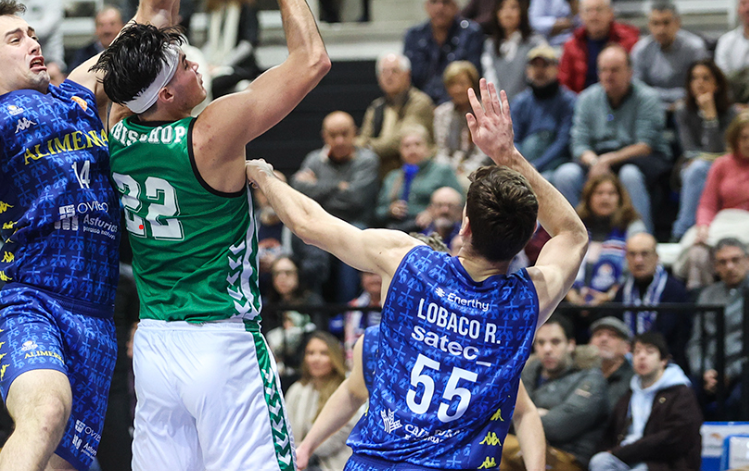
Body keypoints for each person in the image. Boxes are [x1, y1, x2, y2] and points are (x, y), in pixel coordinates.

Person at [0, 0, 255, 471]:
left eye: (31, 31)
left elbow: (151, 22)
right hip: (34, 302)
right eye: (12, 38)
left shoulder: (80, 93)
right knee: (44, 414)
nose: (31, 41)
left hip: (97, 316)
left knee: (63, 463)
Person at [94, 0, 330, 471]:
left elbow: (153, 16)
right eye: (183, 63)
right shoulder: (212, 132)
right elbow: (312, 61)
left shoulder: (117, 118)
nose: (195, 61)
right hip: (221, 344)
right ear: (170, 90)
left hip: (153, 346)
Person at [246, 78, 590, 469]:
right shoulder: (529, 300)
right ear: (528, 238)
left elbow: (309, 223)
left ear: (464, 227)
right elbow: (573, 234)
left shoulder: (408, 259)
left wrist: (261, 174)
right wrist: (507, 154)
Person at [297, 323, 547, 471]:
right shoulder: (375, 338)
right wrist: (307, 446)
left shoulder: (475, 346)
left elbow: (525, 411)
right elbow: (352, 392)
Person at [553, 45, 670, 233]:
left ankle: (639, 238)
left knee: (629, 174)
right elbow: (579, 144)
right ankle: (576, 237)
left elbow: (645, 145)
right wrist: (595, 162)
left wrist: (607, 160)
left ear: (630, 72)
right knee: (565, 174)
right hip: (597, 157)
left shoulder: (647, 97)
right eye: (603, 70)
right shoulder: (586, 98)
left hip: (639, 158)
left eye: (615, 70)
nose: (609, 75)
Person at [501, 314, 610, 471]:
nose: (547, 349)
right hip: (523, 450)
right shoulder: (526, 372)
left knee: (496, 446)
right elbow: (501, 416)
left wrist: (526, 417)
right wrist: (538, 414)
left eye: (555, 342)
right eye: (541, 342)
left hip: (570, 458)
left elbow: (559, 428)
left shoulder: (591, 379)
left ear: (571, 344)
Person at [291, 111, 380, 301]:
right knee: (308, 246)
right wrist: (338, 187)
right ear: (324, 136)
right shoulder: (314, 159)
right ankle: (314, 311)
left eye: (344, 134)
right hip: (321, 224)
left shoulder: (367, 160)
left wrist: (317, 188)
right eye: (333, 135)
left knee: (351, 245)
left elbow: (356, 200)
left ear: (354, 133)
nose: (339, 140)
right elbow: (298, 190)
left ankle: (345, 309)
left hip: (354, 223)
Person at [589, 332, 702, 471]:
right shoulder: (630, 393)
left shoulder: (680, 393)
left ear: (664, 360)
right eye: (636, 352)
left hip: (663, 463)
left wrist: (622, 452)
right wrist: (609, 452)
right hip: (626, 457)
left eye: (650, 352)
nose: (642, 357)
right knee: (599, 461)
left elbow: (673, 439)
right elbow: (610, 434)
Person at [675, 110, 749, 289]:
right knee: (697, 252)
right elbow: (707, 203)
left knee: (744, 256)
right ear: (735, 139)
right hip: (725, 222)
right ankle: (703, 306)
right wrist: (703, 227)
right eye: (744, 138)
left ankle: (748, 309)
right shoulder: (721, 164)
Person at [686, 238, 749, 420]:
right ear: (715, 267)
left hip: (747, 368)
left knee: (740, 399)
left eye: (735, 260)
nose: (730, 267)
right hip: (710, 370)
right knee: (683, 396)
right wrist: (704, 372)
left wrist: (731, 372)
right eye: (723, 262)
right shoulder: (707, 295)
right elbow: (696, 341)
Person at [671, 59, 738, 241]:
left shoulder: (732, 113)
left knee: (700, 168)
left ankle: (682, 233)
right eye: (694, 78)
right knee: (698, 169)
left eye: (705, 78)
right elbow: (689, 150)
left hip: (725, 168)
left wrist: (711, 116)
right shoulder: (683, 110)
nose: (699, 83)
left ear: (716, 84)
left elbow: (722, 152)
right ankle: (683, 232)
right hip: (691, 166)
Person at [567, 174, 646, 314]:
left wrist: (610, 296)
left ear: (620, 199)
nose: (605, 198)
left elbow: (636, 270)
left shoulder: (632, 227)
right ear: (589, 198)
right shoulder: (577, 227)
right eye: (599, 193)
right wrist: (570, 294)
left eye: (611, 193)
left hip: (616, 303)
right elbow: (564, 265)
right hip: (573, 302)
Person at [613, 232, 691, 369]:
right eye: (632, 254)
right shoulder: (621, 292)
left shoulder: (675, 290)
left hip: (667, 363)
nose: (638, 260)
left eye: (644, 254)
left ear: (656, 257)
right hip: (627, 364)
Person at [403, 0, 484, 105]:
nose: (440, 7)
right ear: (426, 6)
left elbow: (473, 76)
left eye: (446, 2)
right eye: (434, 1)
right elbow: (409, 79)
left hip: (461, 103)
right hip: (421, 104)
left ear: (456, 6)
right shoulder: (413, 35)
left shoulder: (471, 33)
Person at [356, 53, 435, 178]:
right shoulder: (377, 106)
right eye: (384, 72)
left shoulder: (419, 101)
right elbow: (363, 137)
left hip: (411, 167)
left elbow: (400, 140)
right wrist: (361, 145)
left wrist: (368, 146)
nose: (389, 76)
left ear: (407, 74)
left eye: (394, 71)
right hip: (379, 168)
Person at [285, 332, 354, 471]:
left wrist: (302, 448)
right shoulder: (297, 390)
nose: (315, 359)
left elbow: (332, 442)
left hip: (334, 466)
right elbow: (287, 430)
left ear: (335, 357)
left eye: (324, 353)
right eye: (310, 353)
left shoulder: (348, 390)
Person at [373, 124, 461, 232]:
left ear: (428, 148)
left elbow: (460, 203)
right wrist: (390, 210)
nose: (412, 149)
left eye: (418, 144)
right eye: (407, 146)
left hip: (432, 229)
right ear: (400, 151)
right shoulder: (393, 177)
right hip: (397, 227)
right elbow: (378, 212)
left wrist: (434, 212)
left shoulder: (442, 171)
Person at [510, 45, 576, 177]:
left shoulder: (569, 102)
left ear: (557, 69)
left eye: (545, 65)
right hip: (523, 165)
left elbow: (563, 142)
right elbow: (513, 139)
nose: (539, 71)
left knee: (566, 175)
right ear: (528, 70)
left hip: (555, 166)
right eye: (535, 66)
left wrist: (535, 166)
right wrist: (522, 164)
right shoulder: (519, 102)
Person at [630, 0, 708, 110]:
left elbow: (700, 87)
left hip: (688, 107)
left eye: (666, 23)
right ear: (649, 25)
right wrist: (664, 104)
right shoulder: (640, 50)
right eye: (655, 23)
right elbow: (637, 89)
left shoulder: (694, 48)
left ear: (677, 23)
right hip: (650, 107)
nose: (661, 29)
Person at [558, 0, 640, 94]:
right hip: (581, 104)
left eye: (599, 10)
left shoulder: (629, 40)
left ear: (610, 13)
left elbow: (637, 78)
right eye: (588, 11)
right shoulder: (571, 46)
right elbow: (565, 85)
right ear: (581, 15)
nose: (593, 16)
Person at [200, 0, 261, 99]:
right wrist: (206, 63)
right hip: (215, 64)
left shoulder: (247, 5)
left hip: (239, 66)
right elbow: (210, 42)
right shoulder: (213, 7)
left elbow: (248, 44)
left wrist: (222, 64)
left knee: (215, 84)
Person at [264, 255, 326, 383]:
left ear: (298, 274)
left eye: (288, 273)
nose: (282, 278)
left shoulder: (313, 303)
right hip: (277, 373)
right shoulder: (268, 307)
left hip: (307, 373)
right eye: (277, 273)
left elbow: (320, 337)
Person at [432, 60, 489, 190]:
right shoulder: (441, 113)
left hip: (478, 170)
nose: (457, 89)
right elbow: (441, 149)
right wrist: (449, 170)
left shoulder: (485, 112)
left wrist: (464, 169)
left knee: (463, 185)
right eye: (452, 84)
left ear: (472, 85)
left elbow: (484, 154)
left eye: (462, 83)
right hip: (448, 168)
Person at [482, 0, 547, 99]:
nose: (508, 13)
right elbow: (490, 79)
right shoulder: (490, 45)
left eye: (513, 7)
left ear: (522, 12)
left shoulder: (536, 42)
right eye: (502, 8)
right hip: (500, 108)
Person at [714, 0, 749, 106]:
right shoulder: (725, 41)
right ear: (738, 9)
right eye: (744, 3)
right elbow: (722, 78)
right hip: (732, 104)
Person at [588, 316, 635, 408]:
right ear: (589, 343)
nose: (604, 339)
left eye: (612, 335)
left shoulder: (634, 381)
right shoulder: (579, 375)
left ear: (627, 348)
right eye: (598, 334)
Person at [67, 6, 126, 71]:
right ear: (95, 29)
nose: (107, 30)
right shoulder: (83, 55)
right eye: (101, 25)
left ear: (123, 26)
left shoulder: (132, 52)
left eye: (112, 24)